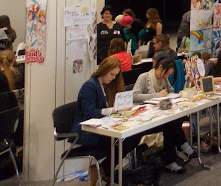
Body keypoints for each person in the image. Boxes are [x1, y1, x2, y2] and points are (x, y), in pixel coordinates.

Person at [72, 57, 139, 185]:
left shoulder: (104, 86)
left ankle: (105, 169)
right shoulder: (90, 86)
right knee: (124, 140)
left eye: (115, 75)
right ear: (104, 70)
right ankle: (105, 170)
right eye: (112, 74)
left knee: (133, 137)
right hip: (86, 131)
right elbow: (90, 113)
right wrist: (112, 110)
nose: (113, 78)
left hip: (100, 127)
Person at [132, 58, 197, 173]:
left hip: (159, 114)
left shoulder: (164, 79)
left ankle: (172, 158)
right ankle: (181, 146)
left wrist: (170, 95)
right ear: (160, 67)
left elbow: (170, 90)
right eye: (166, 73)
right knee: (171, 124)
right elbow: (135, 96)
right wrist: (157, 95)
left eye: (169, 75)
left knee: (172, 122)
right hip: (146, 118)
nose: (166, 76)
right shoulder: (144, 77)